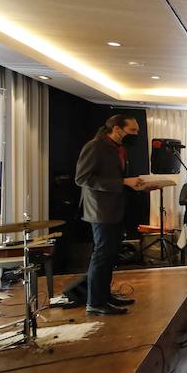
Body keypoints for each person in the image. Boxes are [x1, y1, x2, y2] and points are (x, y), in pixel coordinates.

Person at [61, 115, 145, 315]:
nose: (136, 134)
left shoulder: (119, 148)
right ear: (116, 129)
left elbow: (116, 177)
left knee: (111, 255)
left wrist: (136, 185)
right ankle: (95, 302)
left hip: (115, 207)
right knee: (102, 255)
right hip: (100, 209)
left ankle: (104, 295)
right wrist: (123, 182)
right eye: (132, 130)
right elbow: (82, 178)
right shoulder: (95, 146)